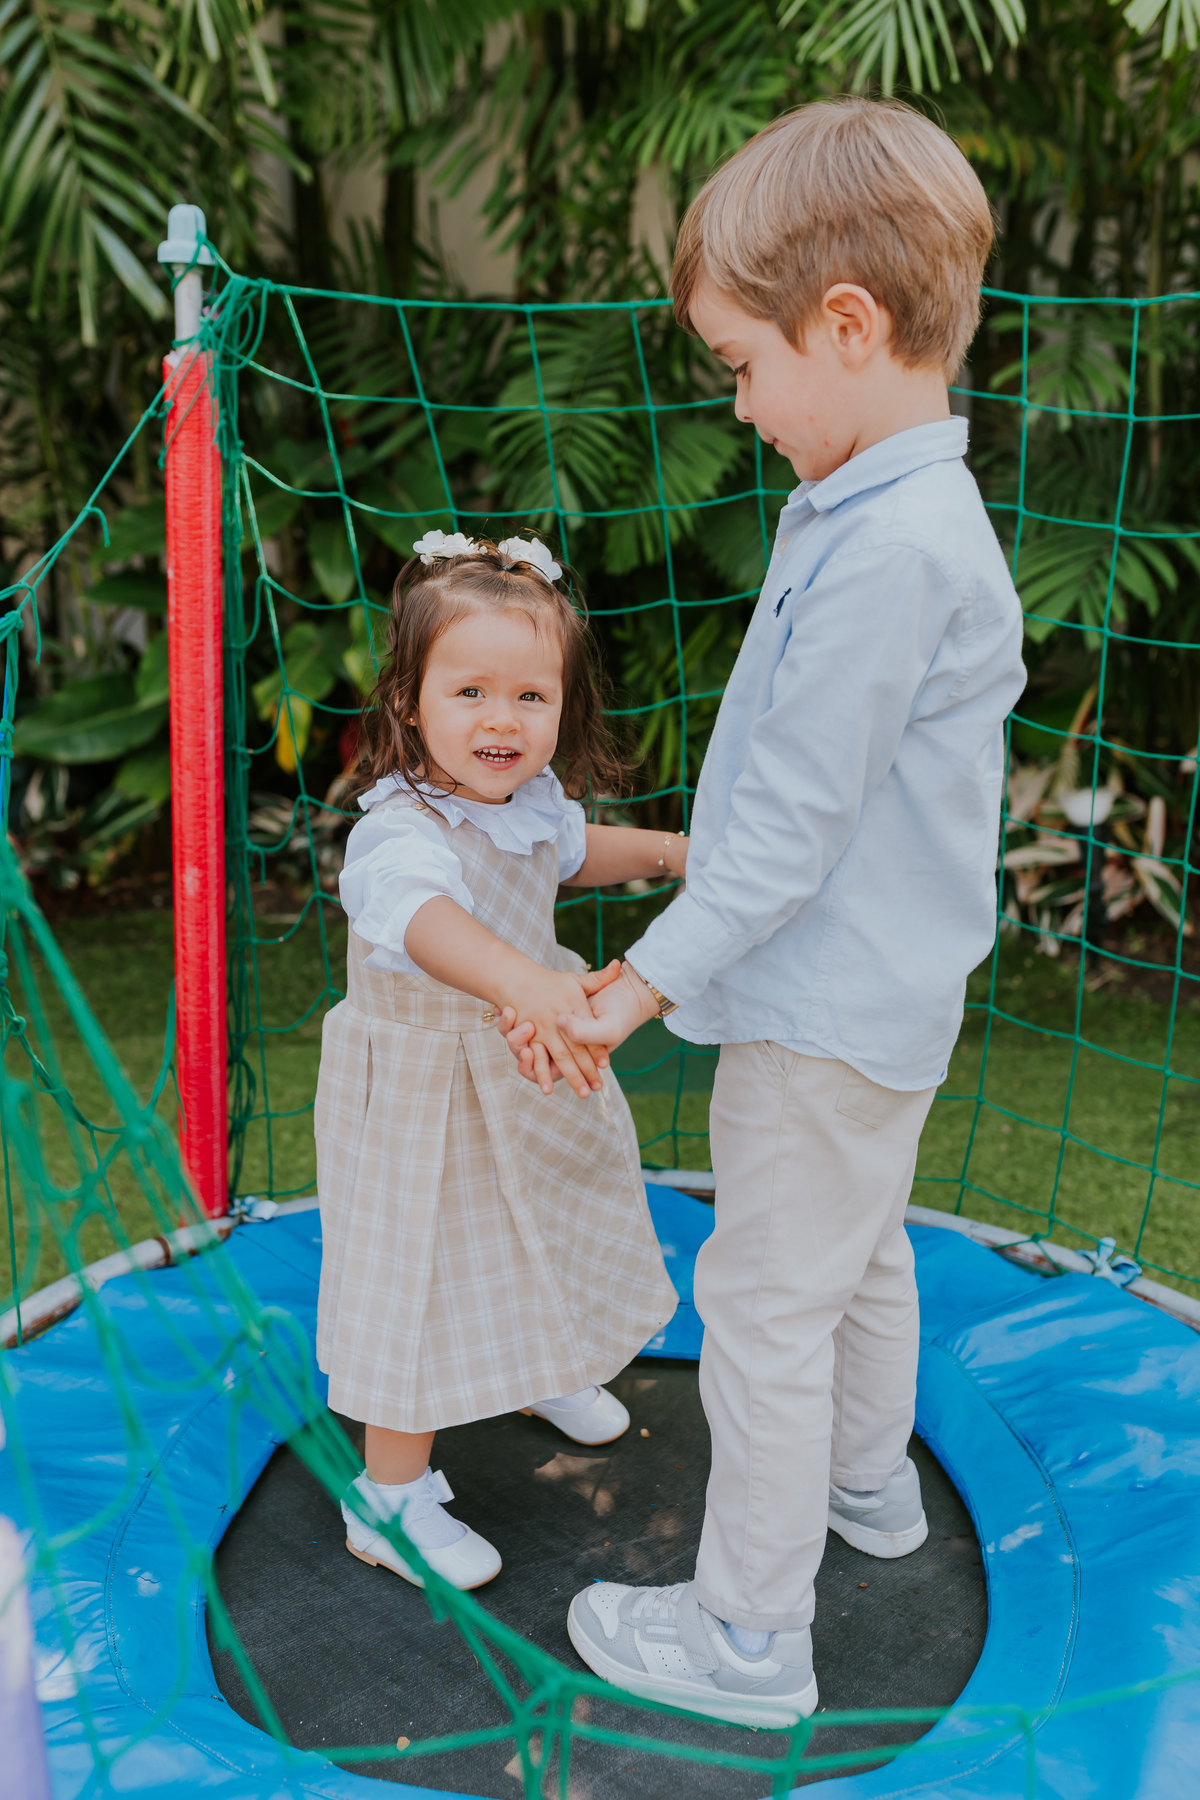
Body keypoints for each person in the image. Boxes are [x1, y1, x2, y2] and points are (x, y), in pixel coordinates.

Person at [503, 98, 1027, 1726]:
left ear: (847, 327)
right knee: (857, 1261)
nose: (738, 405)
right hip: (886, 1004)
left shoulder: (892, 550)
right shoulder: (887, 511)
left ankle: (746, 1640)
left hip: (817, 1011)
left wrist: (635, 986)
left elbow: (793, 828)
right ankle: (868, 1490)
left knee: (763, 1309)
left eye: (743, 365)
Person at [315, 530, 681, 1592]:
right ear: (408, 703)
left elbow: (571, 851)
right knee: (419, 1277)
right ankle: (387, 1496)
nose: (501, 719)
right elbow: (425, 920)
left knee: (555, 1214)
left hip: (521, 1069)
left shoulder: (527, 804)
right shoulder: (399, 833)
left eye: (531, 696)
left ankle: (539, 1363)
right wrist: (522, 983)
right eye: (469, 689)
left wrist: (673, 854)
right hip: (429, 1089)